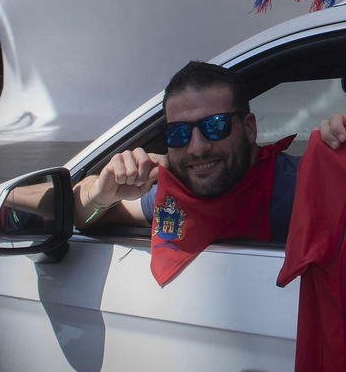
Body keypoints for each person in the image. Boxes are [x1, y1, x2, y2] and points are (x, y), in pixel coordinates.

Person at [73, 60, 299, 240]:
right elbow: (78, 214)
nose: (197, 148)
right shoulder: (175, 194)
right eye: (179, 132)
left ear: (249, 128)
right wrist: (101, 195)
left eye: (215, 126)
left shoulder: (303, 188)